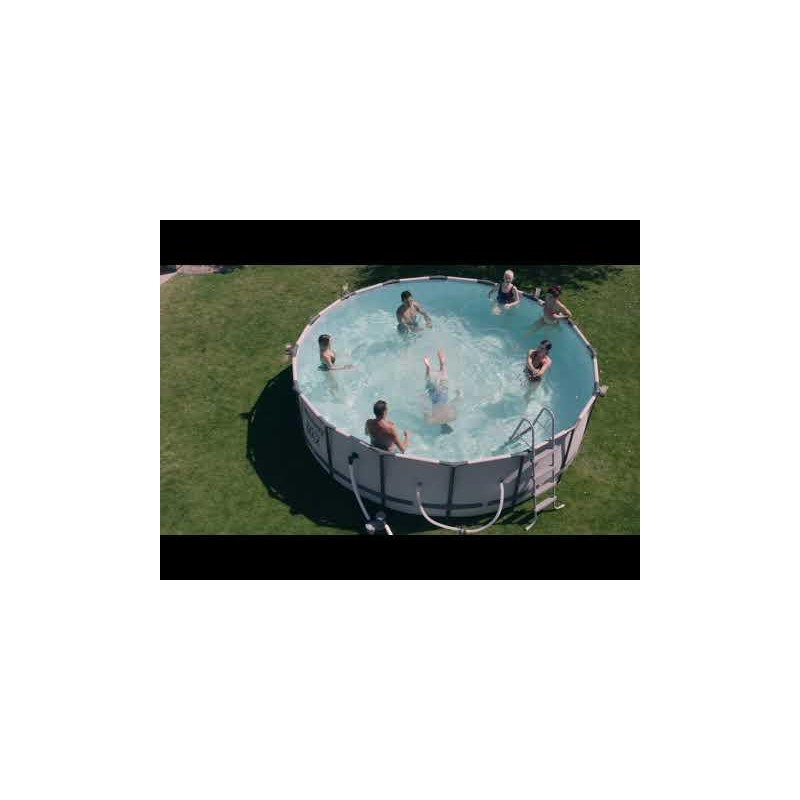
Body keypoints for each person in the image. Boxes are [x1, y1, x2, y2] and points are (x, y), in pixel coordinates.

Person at [423, 349, 461, 433]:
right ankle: (428, 368)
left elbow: (454, 403)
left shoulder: (453, 417)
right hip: (434, 399)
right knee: (428, 382)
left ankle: (442, 364)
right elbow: (425, 410)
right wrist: (423, 398)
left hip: (444, 396)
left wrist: (458, 394)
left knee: (444, 379)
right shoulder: (432, 421)